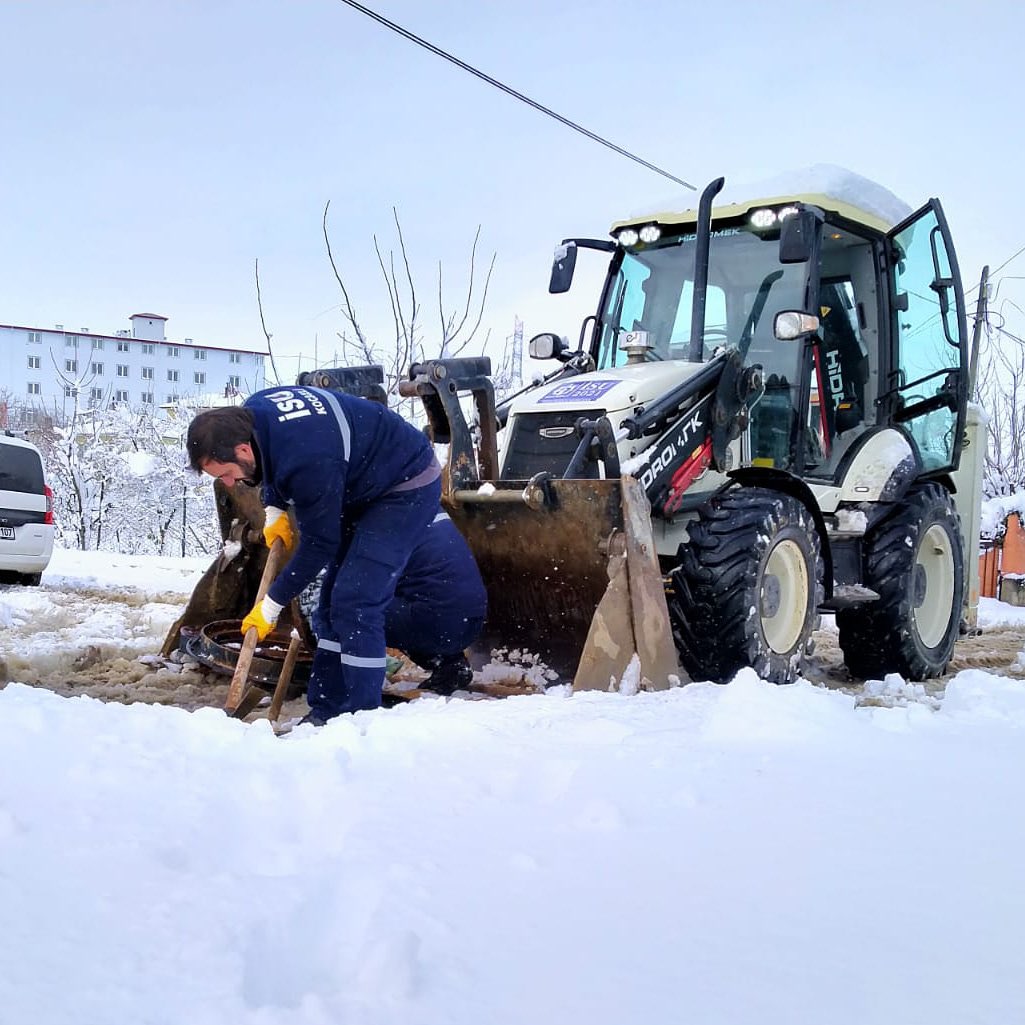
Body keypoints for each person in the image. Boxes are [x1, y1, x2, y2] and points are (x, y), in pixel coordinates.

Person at [186, 385, 485, 723]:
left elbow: (319, 545)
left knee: (356, 603)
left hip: (404, 487)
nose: (229, 483)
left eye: (227, 474)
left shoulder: (309, 460)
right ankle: (326, 707)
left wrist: (271, 604)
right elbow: (271, 454)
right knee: (329, 607)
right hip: (362, 481)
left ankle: (360, 715)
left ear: (242, 449)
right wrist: (273, 507)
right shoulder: (253, 413)